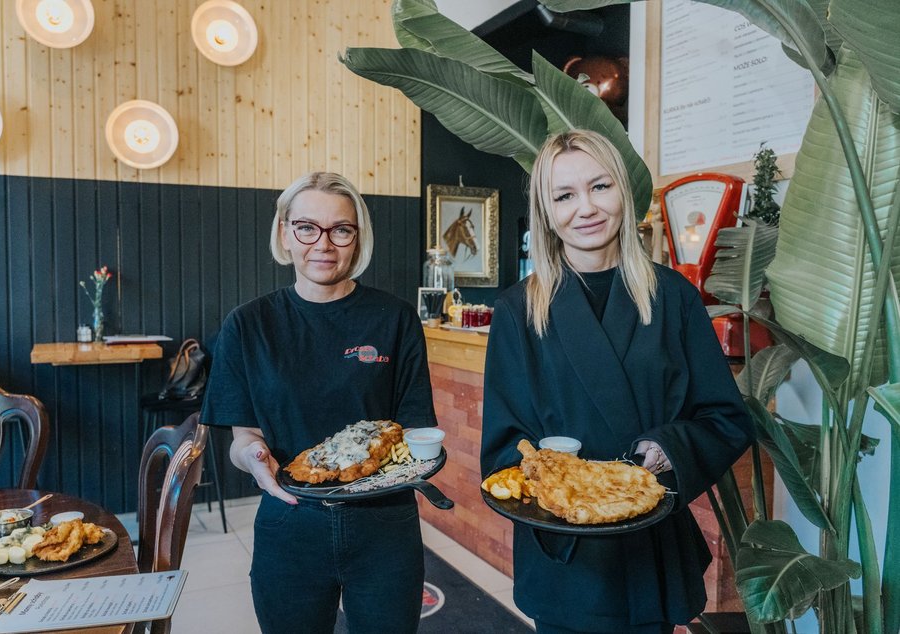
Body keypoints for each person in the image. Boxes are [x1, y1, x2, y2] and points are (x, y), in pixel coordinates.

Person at [480, 130, 754, 634]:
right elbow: (502, 448)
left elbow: (725, 418)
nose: (586, 208)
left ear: (623, 194)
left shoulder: (674, 298)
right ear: (546, 210)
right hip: (567, 557)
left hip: (651, 549)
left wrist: (669, 447)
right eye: (565, 195)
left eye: (600, 186)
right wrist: (566, 485)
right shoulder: (518, 310)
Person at [200, 171, 437, 633]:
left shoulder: (396, 319)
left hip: (384, 524)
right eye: (307, 227)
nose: (323, 244)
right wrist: (252, 456)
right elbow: (243, 438)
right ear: (285, 233)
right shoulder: (248, 325)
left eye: (340, 230)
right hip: (290, 521)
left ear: (358, 237)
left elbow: (411, 430)